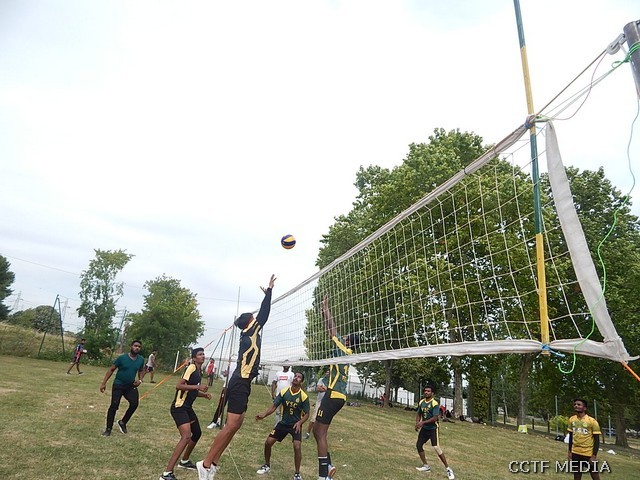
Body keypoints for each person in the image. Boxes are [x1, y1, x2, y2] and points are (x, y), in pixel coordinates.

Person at [196, 274, 276, 480]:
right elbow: (265, 314)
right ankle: (205, 464)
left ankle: (213, 463)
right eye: (253, 317)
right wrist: (269, 291)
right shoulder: (251, 331)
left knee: (237, 423)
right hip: (240, 380)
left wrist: (267, 295)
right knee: (231, 424)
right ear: (250, 321)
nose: (255, 318)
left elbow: (262, 315)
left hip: (243, 381)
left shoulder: (249, 332)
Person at [314, 294, 359, 480]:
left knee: (320, 433)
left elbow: (333, 331)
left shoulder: (343, 349)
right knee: (317, 431)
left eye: (346, 337)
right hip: (336, 396)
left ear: (348, 341)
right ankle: (329, 465)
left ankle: (323, 475)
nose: (343, 336)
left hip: (333, 395)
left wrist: (326, 309)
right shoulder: (345, 351)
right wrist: (323, 314)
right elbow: (330, 332)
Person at [159, 347, 212, 480]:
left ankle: (184, 461)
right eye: (200, 354)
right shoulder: (191, 368)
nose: (203, 356)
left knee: (197, 432)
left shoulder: (199, 371)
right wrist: (198, 387)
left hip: (187, 408)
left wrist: (203, 394)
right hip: (179, 407)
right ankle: (167, 474)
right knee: (186, 436)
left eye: (203, 354)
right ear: (194, 358)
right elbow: (179, 385)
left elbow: (190, 390)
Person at [255, 371, 310, 480]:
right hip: (283, 423)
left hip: (295, 425)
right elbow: (274, 406)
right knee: (268, 442)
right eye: (295, 376)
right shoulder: (284, 391)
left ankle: (297, 474)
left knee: (297, 447)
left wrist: (300, 422)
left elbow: (307, 414)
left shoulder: (304, 396)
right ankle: (267, 465)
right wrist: (264, 415)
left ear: (302, 382)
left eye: (299, 377)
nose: (296, 378)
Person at [99, 339, 146, 437]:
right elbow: (111, 369)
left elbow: (141, 370)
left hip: (130, 386)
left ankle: (123, 422)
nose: (137, 348)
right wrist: (103, 383)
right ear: (131, 346)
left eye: (139, 347)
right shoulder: (122, 358)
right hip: (119, 385)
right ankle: (108, 429)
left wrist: (140, 380)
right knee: (114, 405)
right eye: (135, 346)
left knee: (134, 404)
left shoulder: (141, 360)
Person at [415, 385, 455, 480]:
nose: (426, 392)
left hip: (433, 428)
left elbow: (435, 418)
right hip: (425, 428)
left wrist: (422, 422)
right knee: (419, 445)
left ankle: (448, 469)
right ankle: (426, 466)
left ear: (432, 393)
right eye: (425, 391)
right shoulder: (421, 402)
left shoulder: (434, 403)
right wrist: (417, 423)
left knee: (436, 447)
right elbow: (419, 413)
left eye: (428, 391)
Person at [567, 398, 602, 480]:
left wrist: (594, 456)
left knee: (594, 475)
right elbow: (571, 436)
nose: (576, 406)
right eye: (575, 404)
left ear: (585, 408)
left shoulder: (592, 421)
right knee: (577, 475)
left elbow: (597, 440)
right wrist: (569, 451)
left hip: (588, 453)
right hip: (575, 452)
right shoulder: (572, 419)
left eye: (579, 404)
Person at [305, 370, 328, 440]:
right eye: (327, 372)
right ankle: (308, 433)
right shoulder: (321, 380)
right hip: (319, 402)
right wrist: (326, 389)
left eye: (329, 372)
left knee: (323, 420)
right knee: (314, 418)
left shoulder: (331, 382)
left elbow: (331, 391)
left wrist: (323, 388)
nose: (327, 373)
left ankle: (320, 434)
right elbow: (318, 388)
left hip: (327, 403)